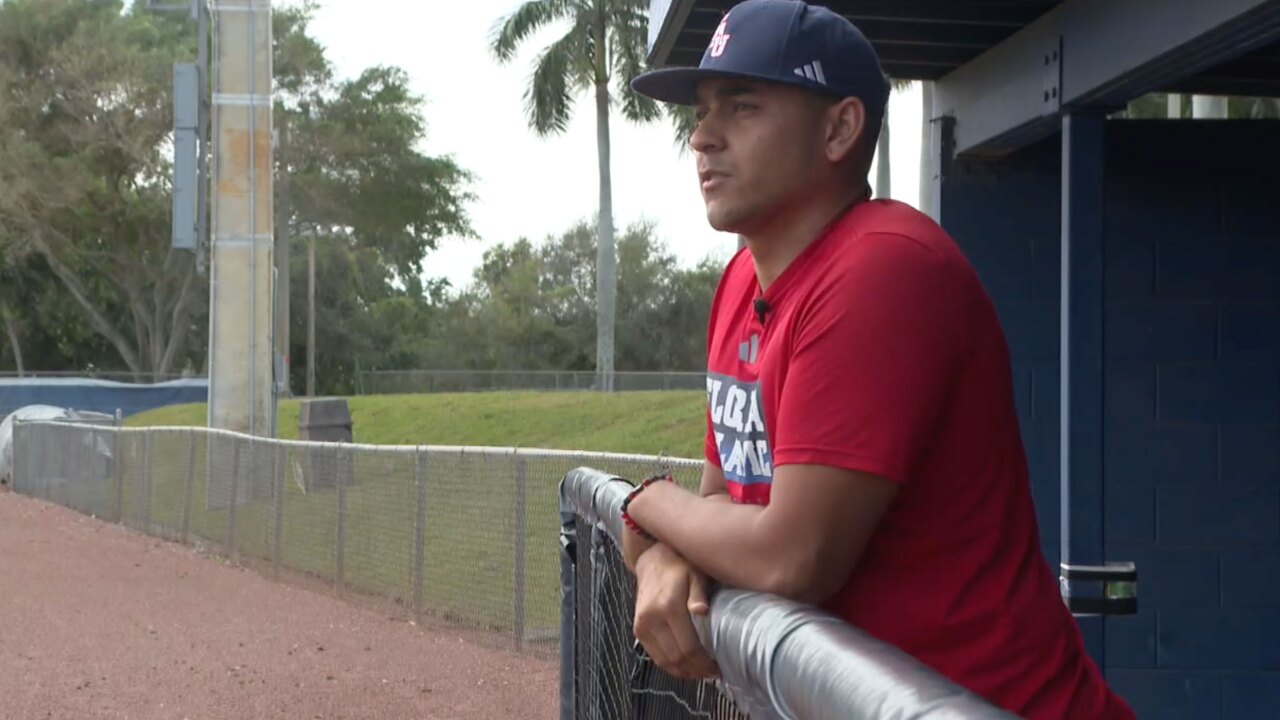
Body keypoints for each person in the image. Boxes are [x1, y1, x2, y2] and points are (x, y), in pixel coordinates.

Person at [619, 1, 1136, 718]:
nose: (702, 137)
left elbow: (787, 557)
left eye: (740, 106)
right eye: (702, 112)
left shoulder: (884, 267)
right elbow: (724, 505)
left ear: (839, 129)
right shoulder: (743, 281)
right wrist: (665, 554)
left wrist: (644, 503)